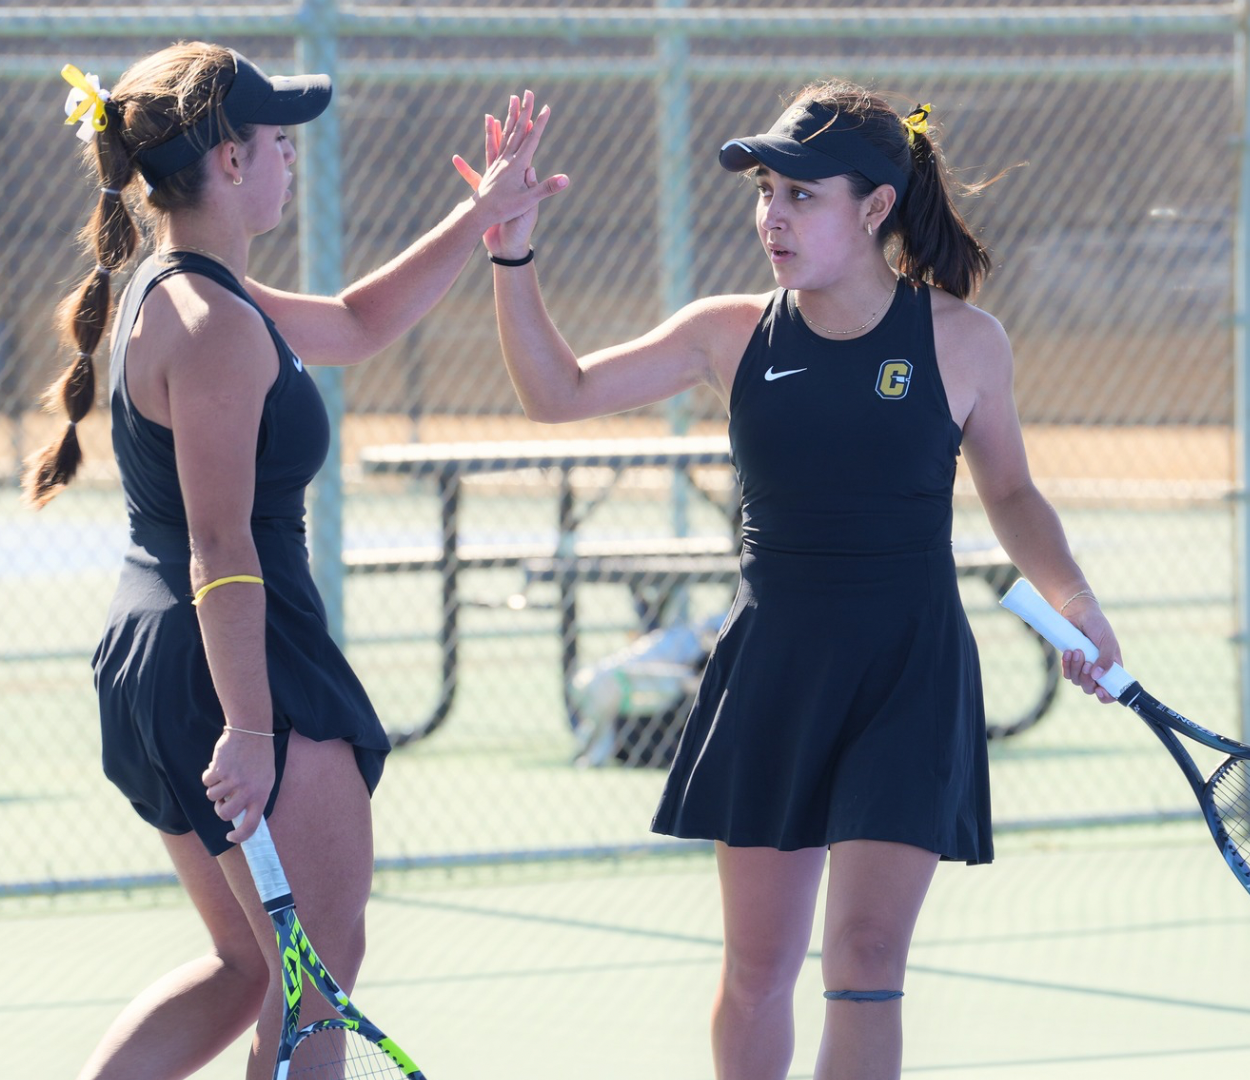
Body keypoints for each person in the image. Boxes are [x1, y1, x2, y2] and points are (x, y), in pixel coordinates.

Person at [462, 83, 1123, 1079]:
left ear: (875, 208)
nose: (774, 214)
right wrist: (511, 252)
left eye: (803, 195)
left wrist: (1077, 603)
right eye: (767, 191)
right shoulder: (725, 333)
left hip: (910, 676)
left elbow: (1015, 496)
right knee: (759, 967)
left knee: (864, 959)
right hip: (774, 671)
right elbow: (559, 395)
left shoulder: (964, 341)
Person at [23, 45, 563, 1080]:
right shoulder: (215, 324)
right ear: (228, 162)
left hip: (155, 656)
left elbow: (360, 324)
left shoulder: (183, 291)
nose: (288, 159)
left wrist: (483, 218)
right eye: (276, 141)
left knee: (247, 965)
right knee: (318, 975)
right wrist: (253, 727)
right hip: (230, 658)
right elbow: (222, 543)